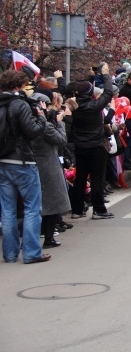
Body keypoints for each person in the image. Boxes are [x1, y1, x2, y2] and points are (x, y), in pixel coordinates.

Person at [0, 69, 51, 263]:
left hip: (2, 161)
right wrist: (41, 117)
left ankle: (10, 254)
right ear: (18, 86)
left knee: (8, 210)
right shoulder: (19, 104)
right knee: (31, 208)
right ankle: (31, 253)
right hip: (22, 161)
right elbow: (32, 131)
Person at [69, 62, 115, 220]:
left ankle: (77, 209)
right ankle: (99, 210)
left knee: (80, 177)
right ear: (91, 94)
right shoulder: (94, 106)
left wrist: (91, 77)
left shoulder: (73, 106)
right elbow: (108, 92)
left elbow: (81, 88)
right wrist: (106, 74)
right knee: (97, 178)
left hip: (80, 146)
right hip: (95, 146)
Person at [29, 92, 70, 249]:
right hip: (47, 165)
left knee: (33, 205)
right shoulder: (43, 125)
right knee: (52, 202)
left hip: (32, 164)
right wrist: (59, 123)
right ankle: (48, 238)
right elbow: (61, 140)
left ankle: (30, 240)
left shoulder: (25, 123)